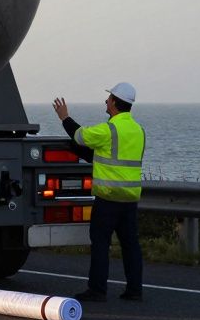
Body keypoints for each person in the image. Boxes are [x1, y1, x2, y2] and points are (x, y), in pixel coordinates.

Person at [52, 82, 146, 302]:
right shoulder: (139, 131)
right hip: (130, 198)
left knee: (101, 243)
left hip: (108, 198)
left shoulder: (109, 129)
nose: (106, 101)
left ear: (114, 102)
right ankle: (135, 290)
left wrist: (64, 117)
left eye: (108, 98)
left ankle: (97, 289)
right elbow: (106, 157)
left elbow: (79, 135)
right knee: (131, 244)